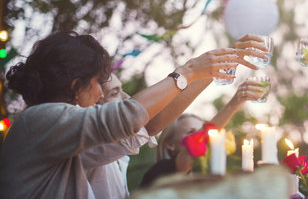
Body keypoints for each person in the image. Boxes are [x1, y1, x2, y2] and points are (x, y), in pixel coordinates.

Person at [0, 31, 264, 199]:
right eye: (97, 83)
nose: (99, 93)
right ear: (74, 86)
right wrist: (190, 69)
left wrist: (212, 68)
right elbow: (131, 117)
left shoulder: (67, 140)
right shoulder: (37, 121)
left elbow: (146, 125)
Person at [83, 34, 267, 198]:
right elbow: (150, 123)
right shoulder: (161, 171)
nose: (127, 98)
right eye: (114, 93)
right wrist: (196, 70)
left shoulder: (118, 157)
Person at [139, 78, 264, 187]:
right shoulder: (160, 172)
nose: (203, 137)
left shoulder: (202, 178)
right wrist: (234, 104)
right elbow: (193, 147)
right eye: (191, 132)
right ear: (170, 144)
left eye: (200, 130)